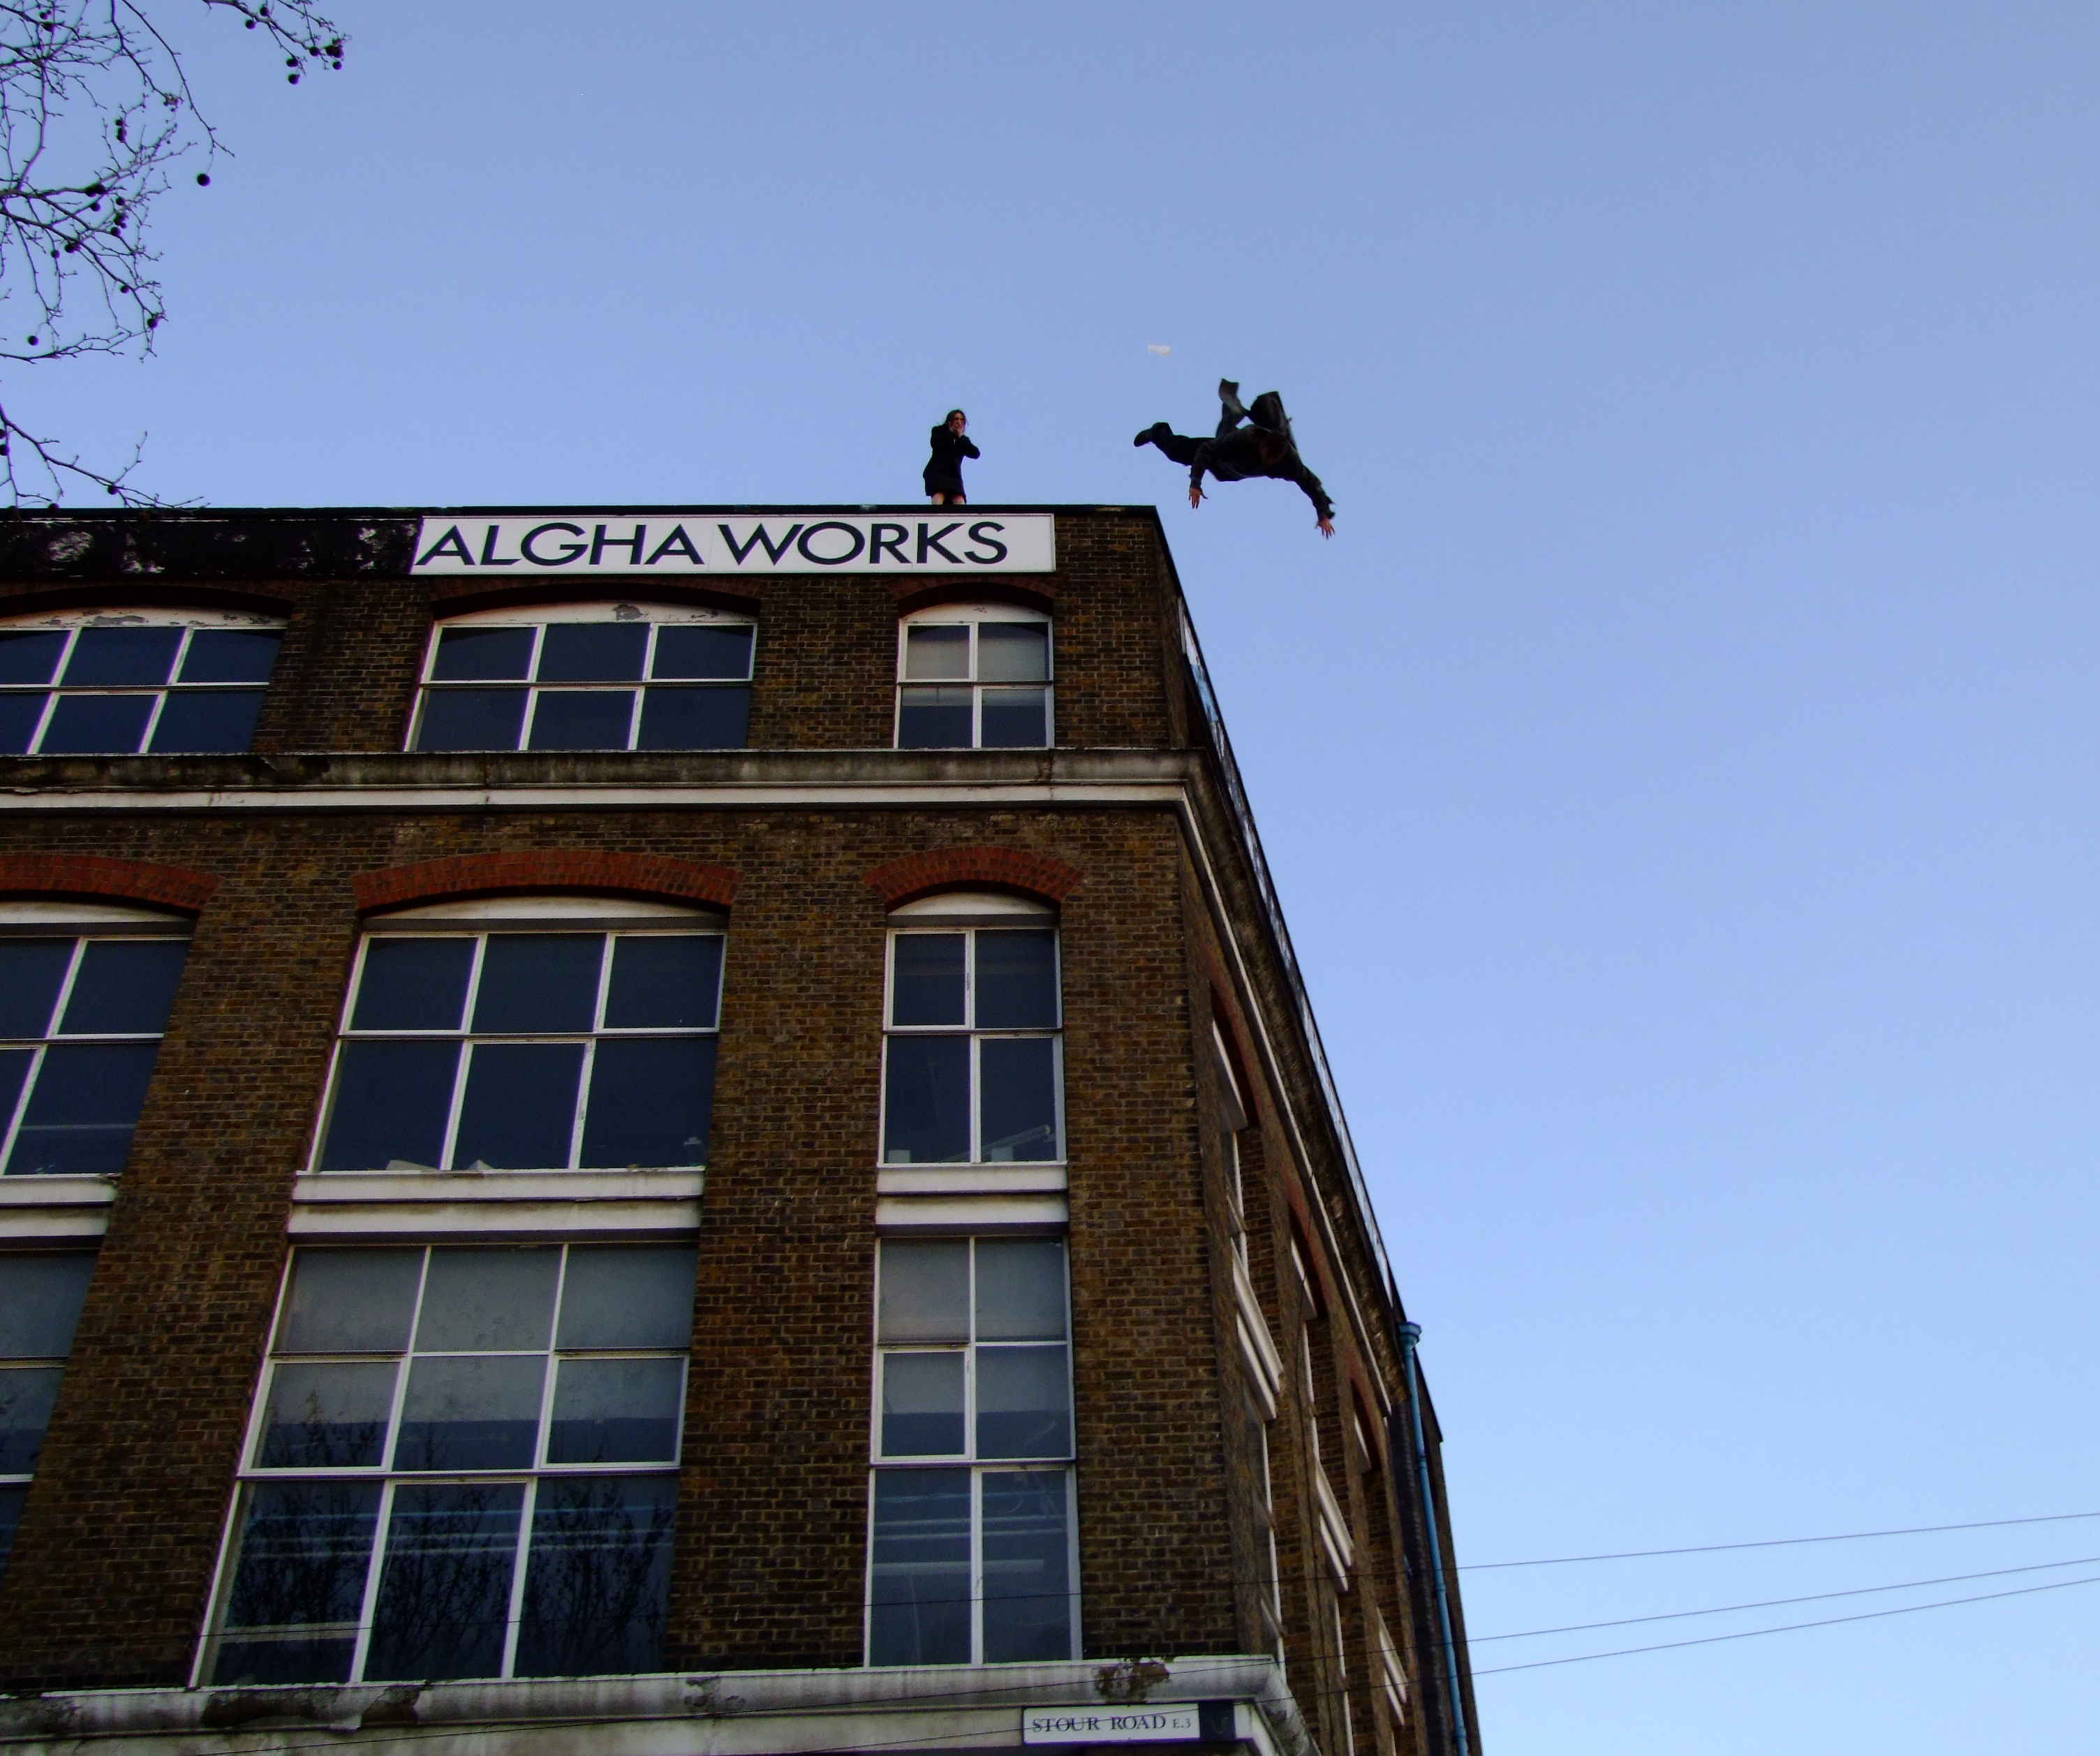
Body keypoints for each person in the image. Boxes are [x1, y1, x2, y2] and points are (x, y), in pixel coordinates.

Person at [1135, 381, 1333, 536]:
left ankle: (1233, 412)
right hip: (1221, 454)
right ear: (1262, 446)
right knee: (1178, 451)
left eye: (1270, 461)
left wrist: (1323, 514)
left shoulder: (1289, 462)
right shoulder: (1249, 438)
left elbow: (1311, 484)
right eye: (1265, 456)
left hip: (1231, 472)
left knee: (1226, 468)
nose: (1266, 461)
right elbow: (1206, 450)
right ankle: (1158, 431)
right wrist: (1195, 483)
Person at [924, 409, 979, 506]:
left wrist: (960, 437)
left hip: (954, 475)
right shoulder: (939, 431)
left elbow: (975, 453)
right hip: (938, 472)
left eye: (962, 420)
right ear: (950, 420)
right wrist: (952, 433)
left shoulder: (963, 440)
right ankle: (936, 519)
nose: (959, 422)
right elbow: (936, 443)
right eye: (956, 419)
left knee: (959, 500)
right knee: (939, 496)